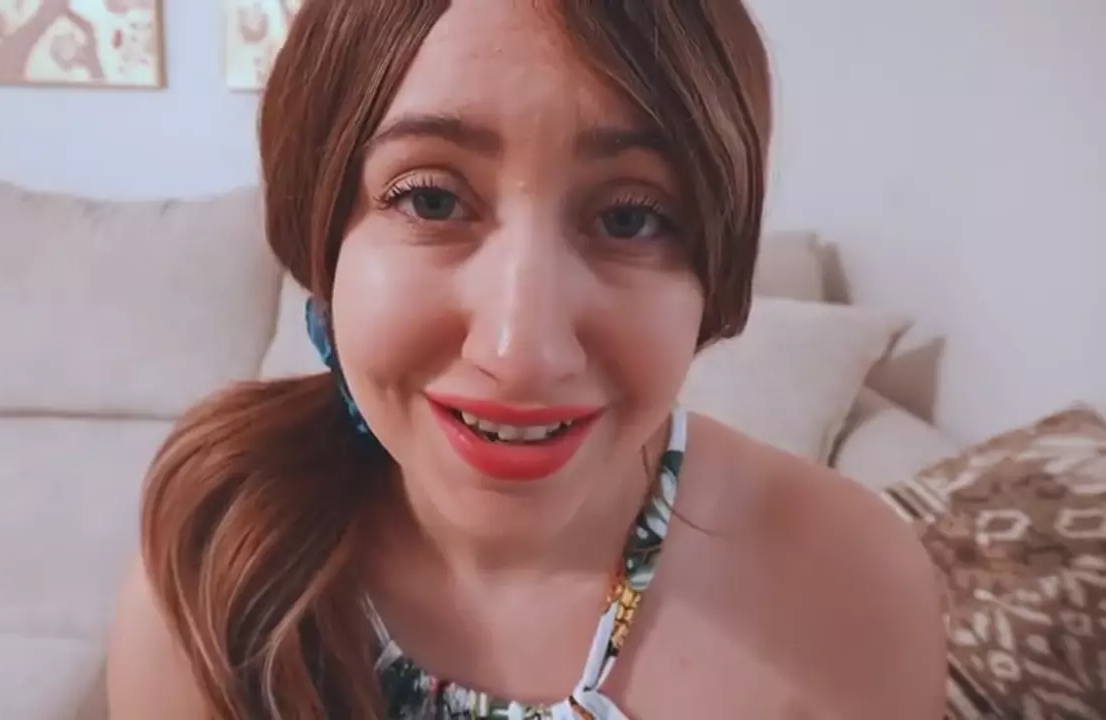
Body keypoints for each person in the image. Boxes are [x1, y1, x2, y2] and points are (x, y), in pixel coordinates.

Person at [107, 1, 947, 718]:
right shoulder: (216, 563)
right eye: (431, 198)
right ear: (323, 236)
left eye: (629, 218)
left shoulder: (851, 583)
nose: (521, 354)